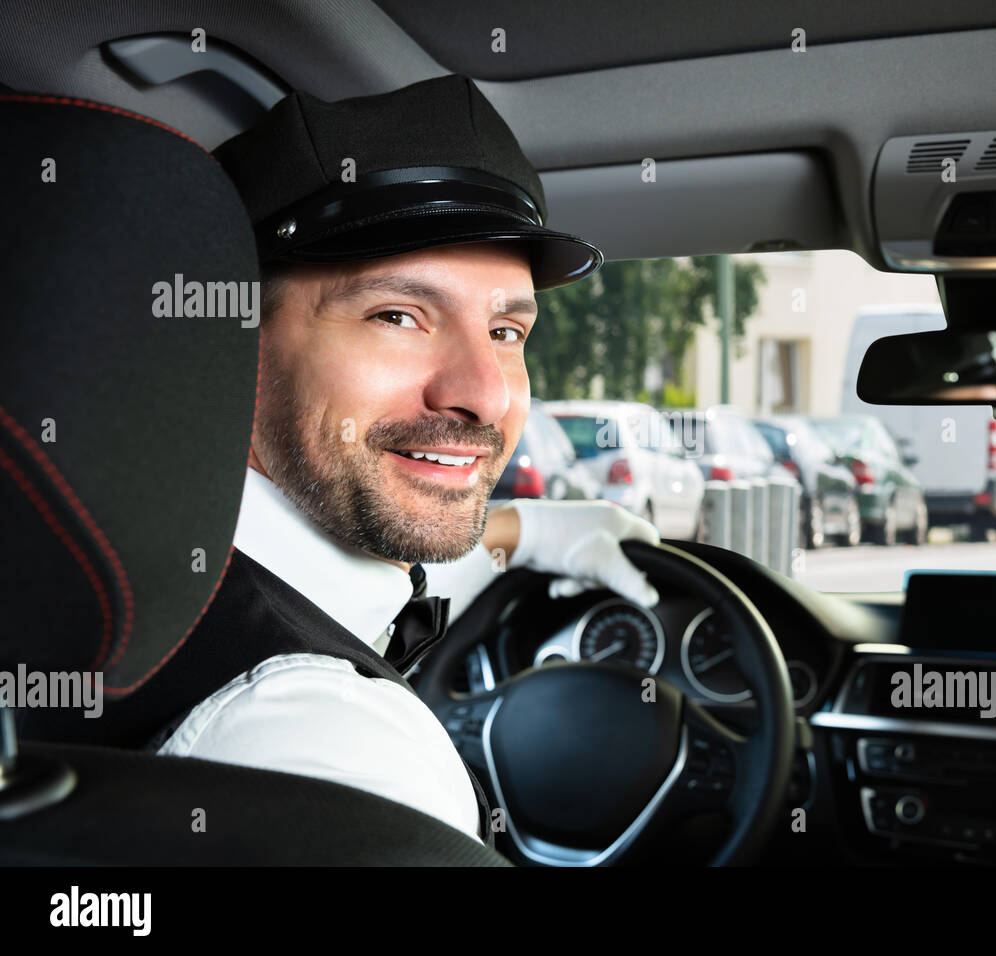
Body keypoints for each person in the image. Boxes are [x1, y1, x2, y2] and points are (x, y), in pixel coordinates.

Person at [31, 75, 663, 847]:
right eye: (397, 315)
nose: (483, 395)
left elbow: (361, 586)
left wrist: (523, 530)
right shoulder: (342, 752)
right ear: (232, 345)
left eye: (506, 332)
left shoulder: (94, 577)